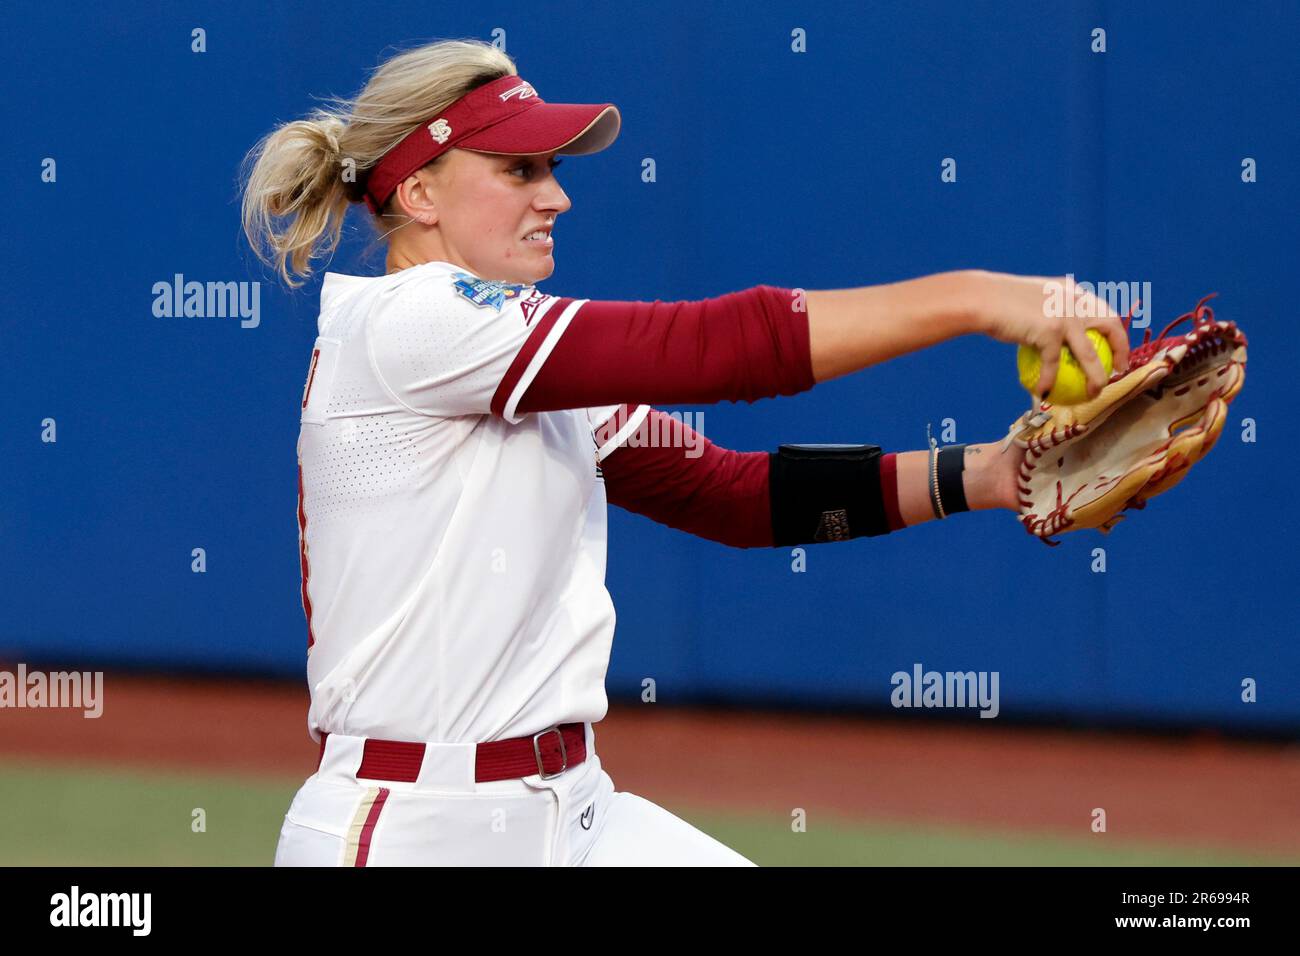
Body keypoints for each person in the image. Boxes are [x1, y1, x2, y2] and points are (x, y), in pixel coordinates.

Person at [241, 38, 1130, 867]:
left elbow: (735, 496)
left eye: (549, 168)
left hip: (574, 814)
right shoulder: (412, 322)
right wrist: (975, 297)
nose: (555, 195)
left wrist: (982, 476)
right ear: (419, 194)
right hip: (411, 829)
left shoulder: (527, 367)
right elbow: (718, 348)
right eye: (518, 169)